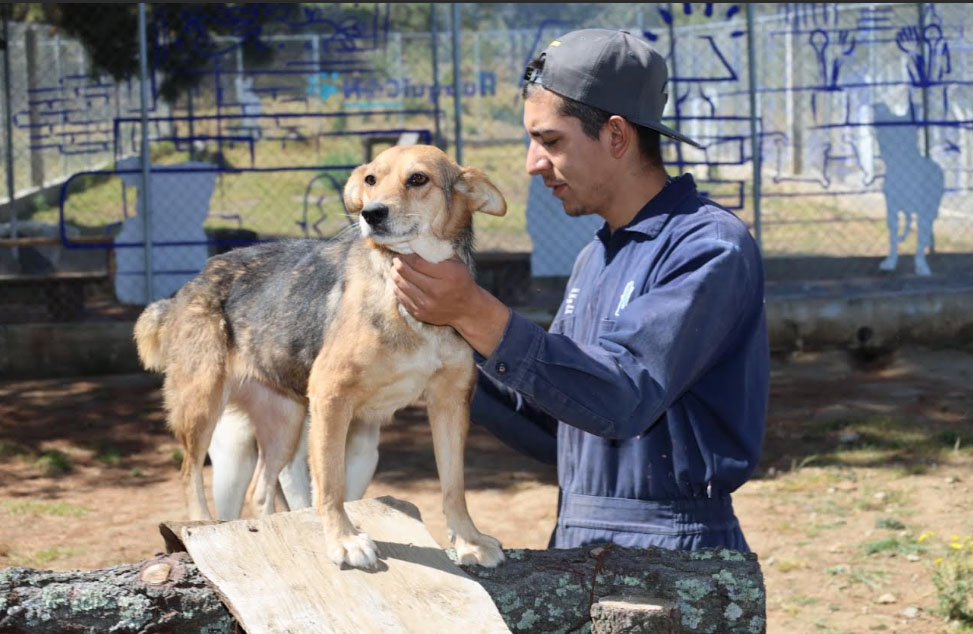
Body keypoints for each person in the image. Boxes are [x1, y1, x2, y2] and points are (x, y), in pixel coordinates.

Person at [390, 28, 769, 552]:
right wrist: (445, 355)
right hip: (578, 536)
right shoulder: (596, 255)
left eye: (550, 141)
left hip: (671, 549)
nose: (532, 164)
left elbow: (622, 400)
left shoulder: (708, 246)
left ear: (616, 136)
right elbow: (560, 426)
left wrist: (475, 311)